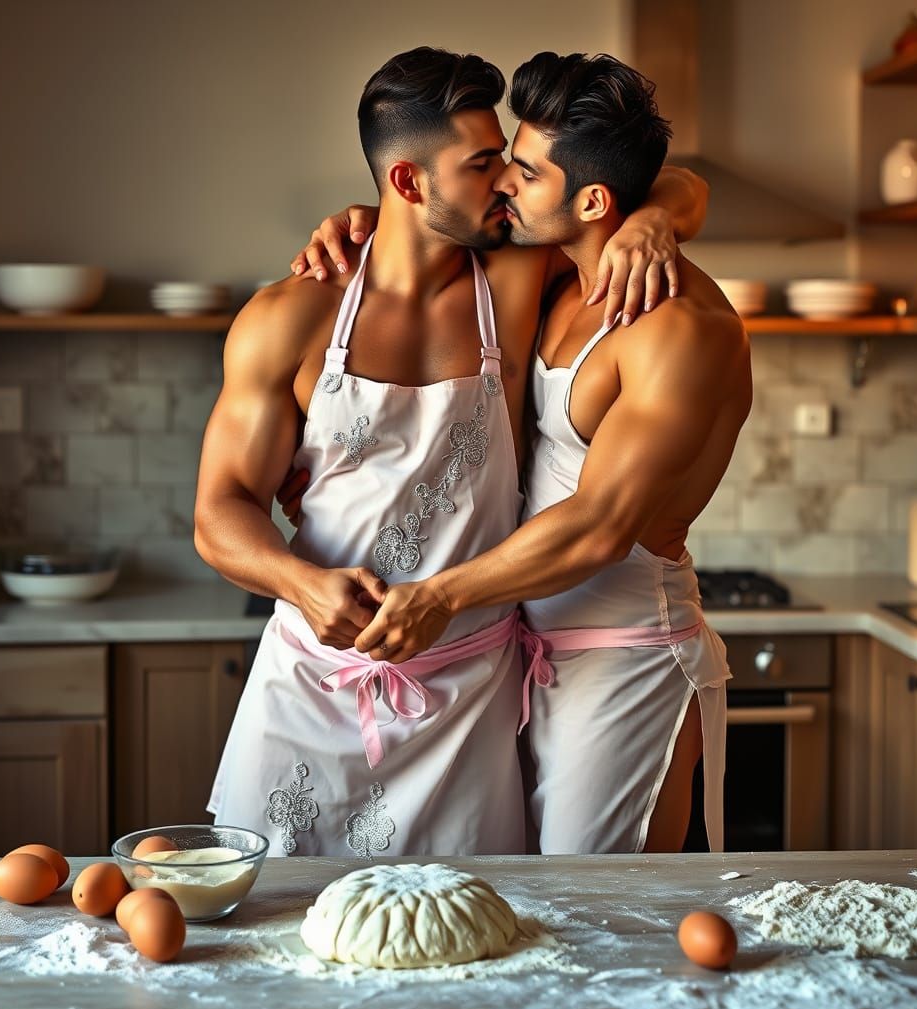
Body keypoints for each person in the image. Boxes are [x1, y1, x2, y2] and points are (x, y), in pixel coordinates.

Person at [194, 46, 709, 857]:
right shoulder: (289, 317)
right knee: (276, 919)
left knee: (472, 927)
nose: (505, 180)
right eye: (481, 164)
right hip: (312, 683)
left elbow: (657, 185)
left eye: (507, 159)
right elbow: (219, 511)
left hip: (470, 700)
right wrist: (301, 583)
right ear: (408, 182)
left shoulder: (516, 277)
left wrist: (654, 219)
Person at [318, 52, 751, 855]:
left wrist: (439, 597)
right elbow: (676, 184)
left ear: (591, 201)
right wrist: (365, 216)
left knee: (594, 913)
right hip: (527, 659)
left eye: (525, 170)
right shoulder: (557, 279)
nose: (505, 184)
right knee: (521, 904)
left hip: (626, 665)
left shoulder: (679, 330)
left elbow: (598, 527)